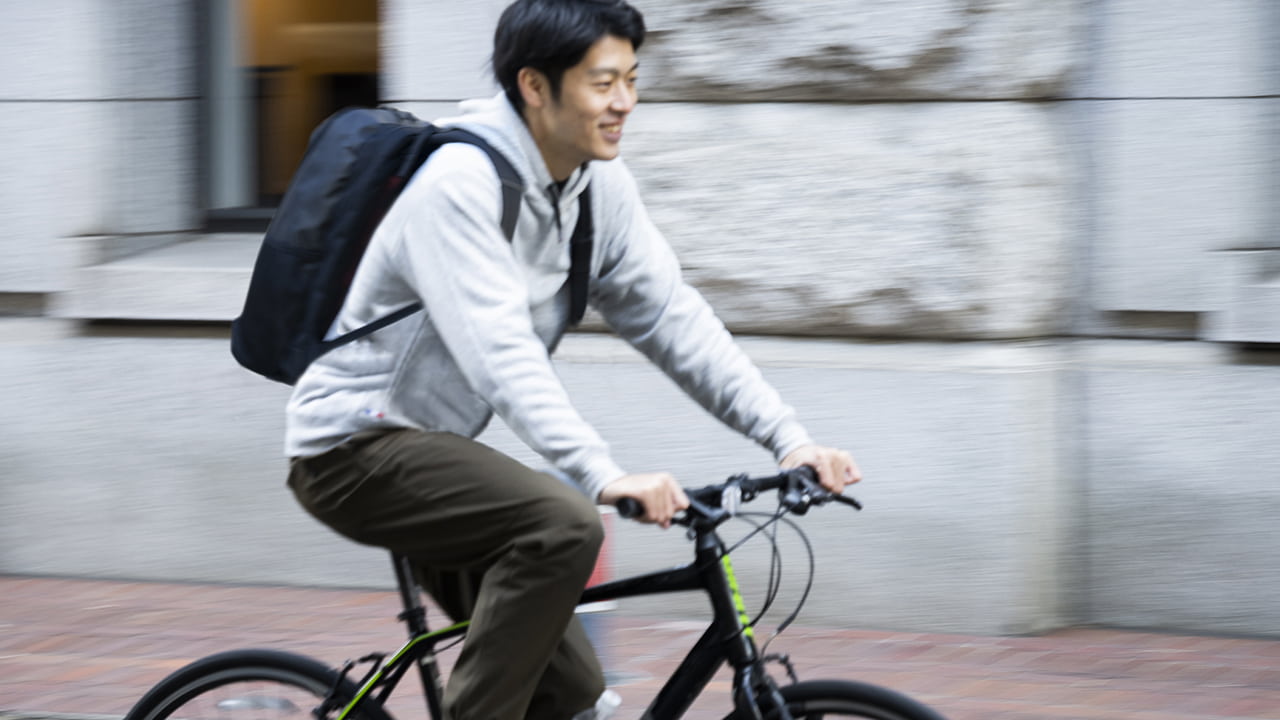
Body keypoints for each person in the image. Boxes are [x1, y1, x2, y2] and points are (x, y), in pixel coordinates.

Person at [284, 1, 861, 719]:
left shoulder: (595, 190)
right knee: (563, 522)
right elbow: (501, 353)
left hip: (433, 452)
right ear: (534, 86)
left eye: (631, 79)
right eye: (602, 82)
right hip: (351, 449)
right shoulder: (457, 186)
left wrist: (789, 437)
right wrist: (603, 474)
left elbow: (674, 320)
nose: (624, 103)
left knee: (572, 699)